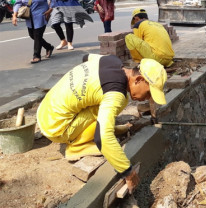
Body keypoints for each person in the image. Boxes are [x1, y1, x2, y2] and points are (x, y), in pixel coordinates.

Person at [36, 54, 168, 193]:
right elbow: (102, 137)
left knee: (99, 100)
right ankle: (76, 146)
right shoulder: (116, 93)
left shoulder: (111, 60)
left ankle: (89, 128)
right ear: (139, 80)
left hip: (46, 110)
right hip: (56, 128)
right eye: (148, 93)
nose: (147, 99)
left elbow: (86, 58)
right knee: (112, 106)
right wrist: (127, 172)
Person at [12, 0, 56, 64]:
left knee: (37, 35)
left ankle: (36, 56)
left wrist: (50, 9)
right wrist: (14, 15)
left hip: (41, 15)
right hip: (29, 17)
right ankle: (49, 47)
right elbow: (19, 2)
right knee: (32, 35)